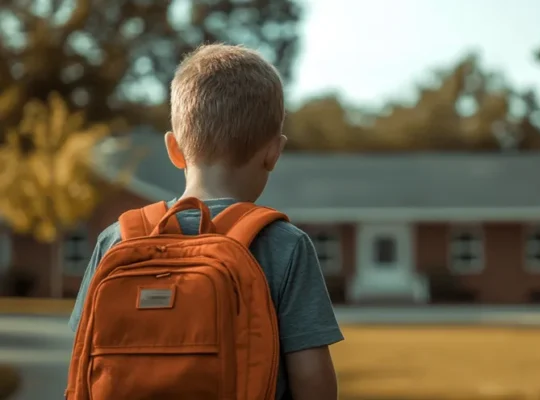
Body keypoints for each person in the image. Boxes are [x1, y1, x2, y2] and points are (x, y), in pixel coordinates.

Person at [69, 43, 343, 400]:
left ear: (173, 149)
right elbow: (312, 379)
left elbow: (82, 353)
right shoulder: (283, 245)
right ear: (274, 152)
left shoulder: (118, 239)